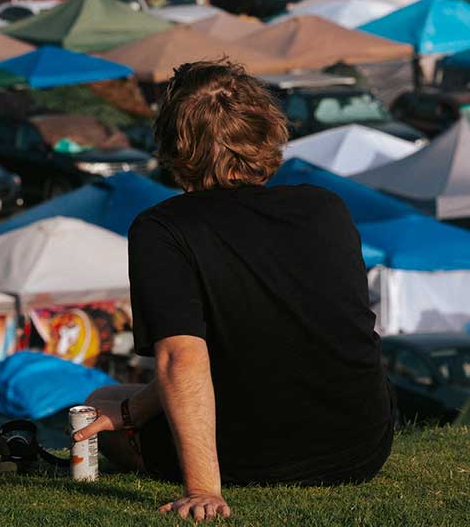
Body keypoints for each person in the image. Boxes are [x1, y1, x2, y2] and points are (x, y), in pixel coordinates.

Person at [74, 60, 393, 521]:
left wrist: (203, 488)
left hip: (258, 450)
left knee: (98, 406)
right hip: (361, 444)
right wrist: (137, 410)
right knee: (118, 406)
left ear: (174, 144)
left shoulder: (164, 228)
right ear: (267, 130)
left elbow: (180, 357)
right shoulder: (325, 208)